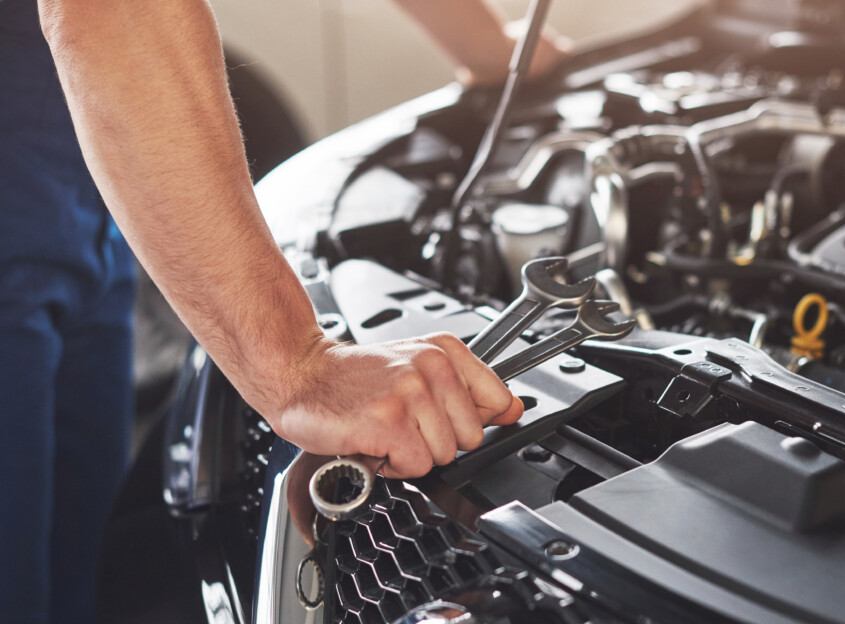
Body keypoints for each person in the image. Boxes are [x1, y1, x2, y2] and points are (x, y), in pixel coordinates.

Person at [1, 0, 568, 621]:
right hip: (49, 122)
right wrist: (297, 367)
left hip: (75, 164)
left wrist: (489, 50)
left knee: (74, 570)